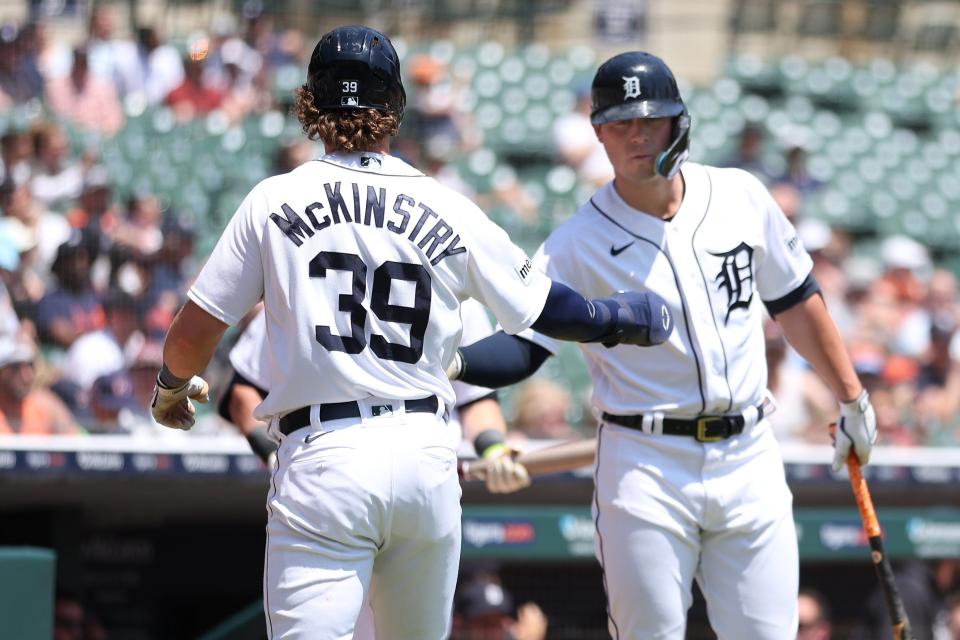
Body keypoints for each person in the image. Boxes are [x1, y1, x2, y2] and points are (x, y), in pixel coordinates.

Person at [148, 26, 670, 640]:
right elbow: (550, 311)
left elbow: (191, 335)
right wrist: (622, 319)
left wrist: (170, 389)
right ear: (394, 107)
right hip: (426, 454)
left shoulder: (273, 199)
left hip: (325, 456)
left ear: (310, 106)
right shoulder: (446, 203)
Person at [449, 51, 876, 639]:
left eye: (650, 120)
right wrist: (454, 364)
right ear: (597, 132)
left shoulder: (741, 195)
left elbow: (797, 299)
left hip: (749, 451)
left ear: (679, 123)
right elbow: (524, 349)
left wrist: (851, 397)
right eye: (620, 123)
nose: (636, 135)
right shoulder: (575, 243)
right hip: (643, 463)